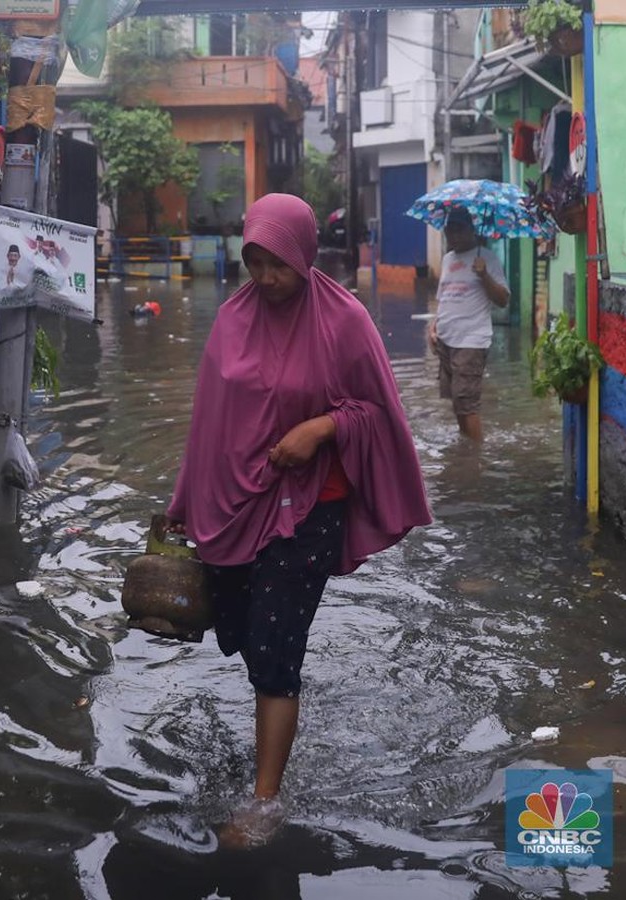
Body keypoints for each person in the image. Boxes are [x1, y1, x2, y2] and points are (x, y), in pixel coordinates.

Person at [165, 194, 431, 847]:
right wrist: (184, 504)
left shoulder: (345, 322)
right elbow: (209, 424)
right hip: (236, 505)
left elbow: (379, 411)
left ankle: (265, 801)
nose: (265, 277)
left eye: (277, 263)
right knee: (244, 634)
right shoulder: (233, 319)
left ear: (304, 256)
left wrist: (321, 428)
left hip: (312, 508)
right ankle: (274, 733)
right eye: (254, 262)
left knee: (276, 652)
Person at [425, 205, 510, 442]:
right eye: (449, 230)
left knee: (467, 402)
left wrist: (484, 275)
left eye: (458, 229)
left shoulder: (487, 258)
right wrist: (434, 327)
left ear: (471, 230)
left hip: (471, 341)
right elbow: (444, 298)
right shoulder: (447, 259)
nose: (452, 235)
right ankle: (465, 449)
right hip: (446, 341)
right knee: (456, 400)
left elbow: (503, 300)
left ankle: (475, 457)